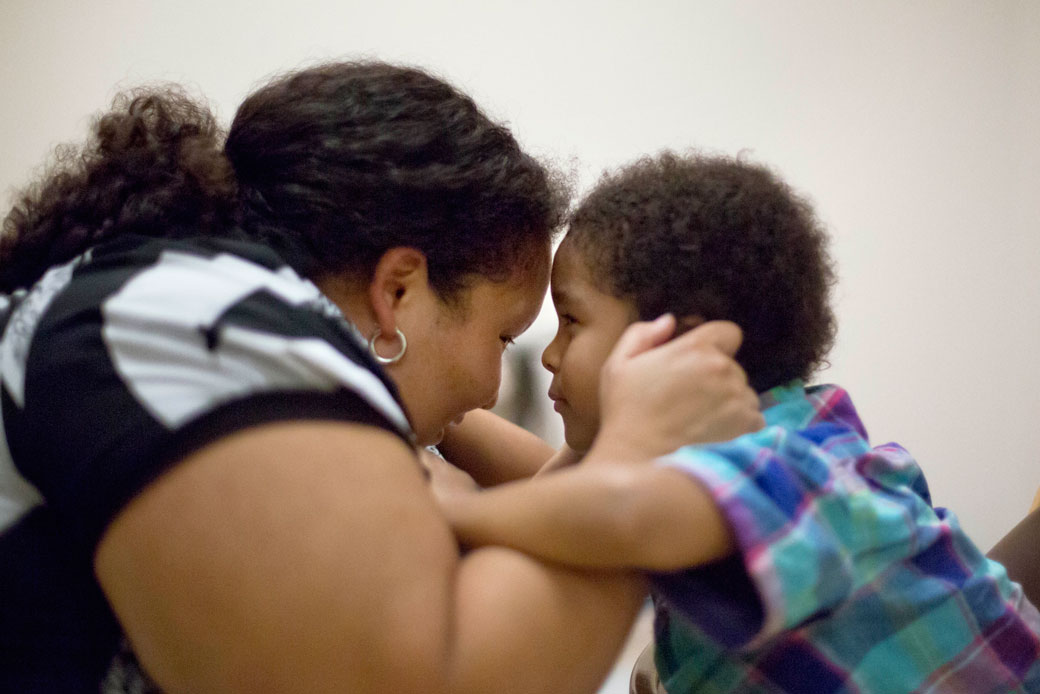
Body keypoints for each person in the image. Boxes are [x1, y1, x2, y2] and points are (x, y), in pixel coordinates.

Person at [0, 64, 766, 694]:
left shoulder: (160, 311)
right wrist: (643, 457)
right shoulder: (196, 315)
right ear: (398, 288)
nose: (491, 387)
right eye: (503, 335)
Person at [440, 152, 1040, 692]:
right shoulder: (743, 453)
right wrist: (447, 419)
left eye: (572, 320)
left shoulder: (794, 462)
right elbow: (562, 491)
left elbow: (618, 512)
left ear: (676, 342)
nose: (550, 353)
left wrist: (431, 514)